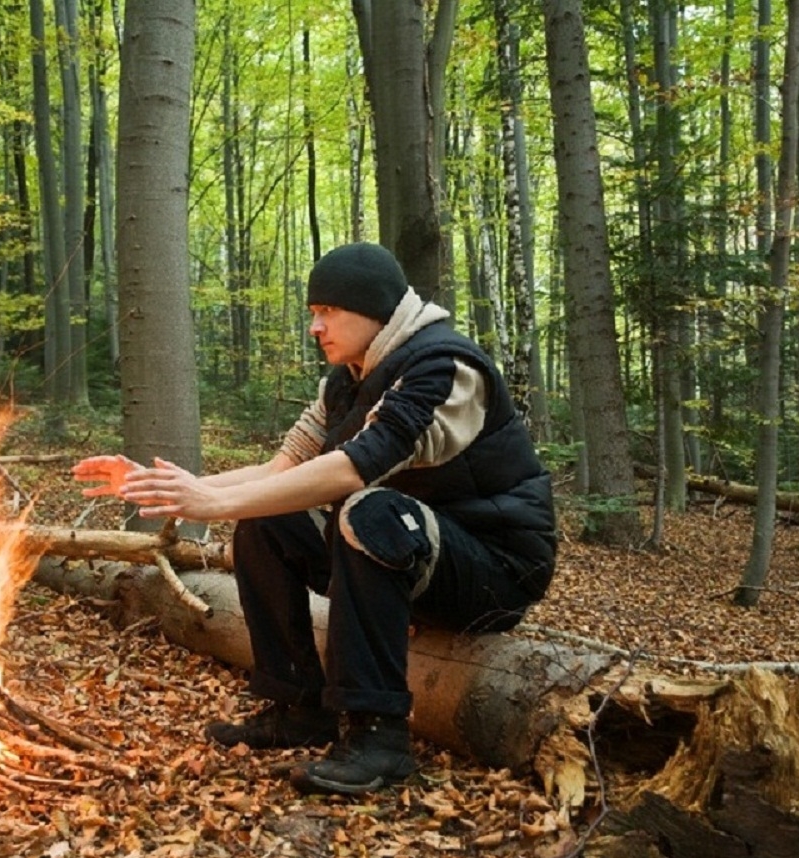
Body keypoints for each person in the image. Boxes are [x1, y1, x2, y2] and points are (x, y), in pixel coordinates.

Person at [73, 242, 556, 796]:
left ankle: (379, 739)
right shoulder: (346, 380)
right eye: (312, 314)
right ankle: (299, 704)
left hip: (494, 571)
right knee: (267, 521)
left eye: (327, 312)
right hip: (416, 554)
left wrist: (213, 504)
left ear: (373, 310)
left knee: (368, 510)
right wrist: (172, 487)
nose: (315, 327)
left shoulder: (445, 367)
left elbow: (356, 467)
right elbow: (280, 470)